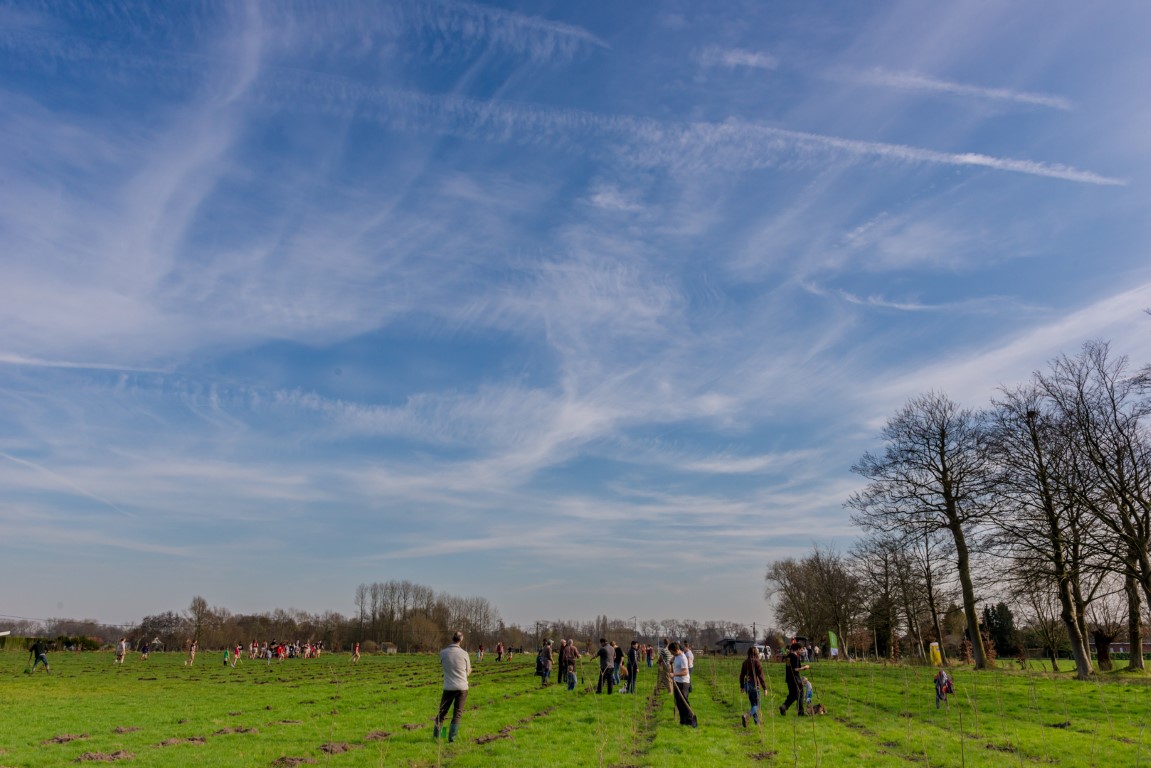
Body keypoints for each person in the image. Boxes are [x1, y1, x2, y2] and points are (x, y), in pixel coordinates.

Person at [434, 631, 472, 743]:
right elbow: (467, 672)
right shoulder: (465, 654)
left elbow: (444, 666)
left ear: (452, 638)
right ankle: (451, 739)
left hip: (448, 687)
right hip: (462, 688)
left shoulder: (443, 653)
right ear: (461, 640)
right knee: (457, 713)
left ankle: (438, 736)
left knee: (442, 712)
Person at [780, 641, 810, 716]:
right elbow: (795, 669)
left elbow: (789, 668)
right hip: (795, 679)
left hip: (789, 679)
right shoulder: (795, 657)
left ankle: (784, 706)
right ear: (798, 649)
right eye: (801, 649)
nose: (802, 651)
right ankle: (800, 712)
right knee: (800, 694)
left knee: (792, 695)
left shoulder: (788, 656)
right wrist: (804, 667)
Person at [670, 642, 697, 727]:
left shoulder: (683, 658)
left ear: (677, 650)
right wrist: (672, 659)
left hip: (683, 683)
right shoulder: (677, 656)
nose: (671, 653)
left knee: (684, 702)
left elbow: (685, 671)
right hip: (677, 682)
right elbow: (675, 657)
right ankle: (683, 721)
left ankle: (690, 720)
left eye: (672, 652)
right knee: (679, 703)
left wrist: (674, 674)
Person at [740, 645, 766, 726]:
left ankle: (757, 722)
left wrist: (742, 686)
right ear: (756, 653)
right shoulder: (757, 662)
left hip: (747, 685)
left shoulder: (745, 662)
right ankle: (747, 715)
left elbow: (741, 675)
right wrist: (765, 688)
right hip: (754, 685)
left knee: (753, 704)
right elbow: (761, 676)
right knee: (757, 705)